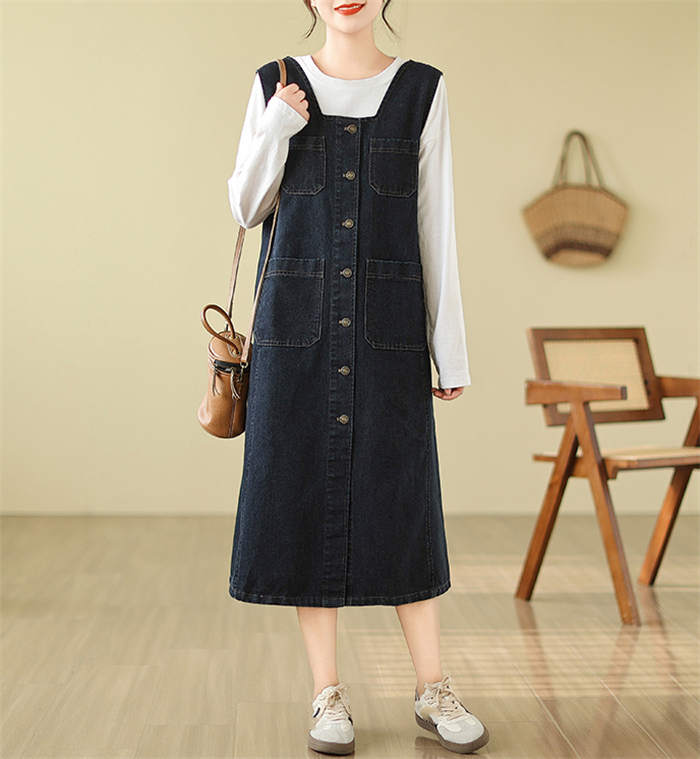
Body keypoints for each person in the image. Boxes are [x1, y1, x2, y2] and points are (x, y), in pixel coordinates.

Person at [225, 0, 489, 754]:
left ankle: (432, 687)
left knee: (404, 502)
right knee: (303, 497)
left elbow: (436, 224)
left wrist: (449, 348)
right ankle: (326, 694)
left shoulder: (422, 89)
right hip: (294, 337)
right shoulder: (274, 84)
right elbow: (245, 207)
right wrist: (278, 126)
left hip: (388, 335)